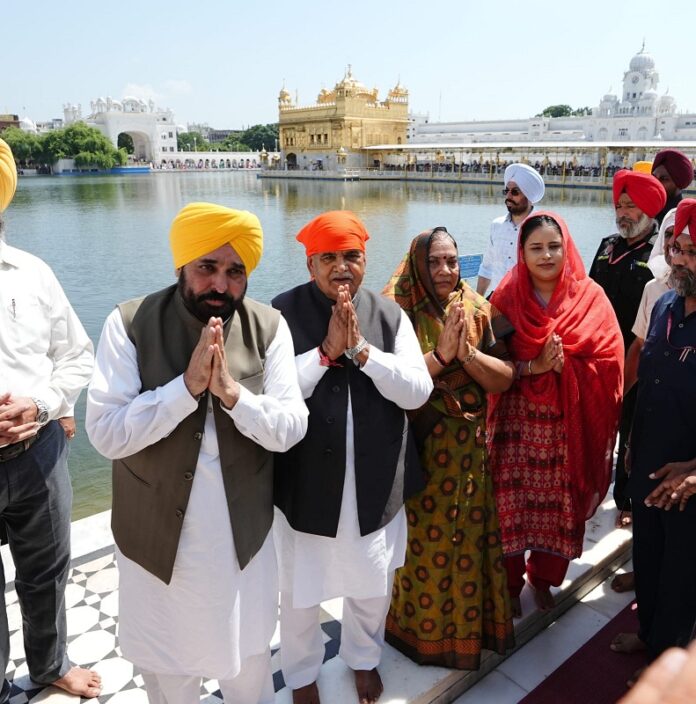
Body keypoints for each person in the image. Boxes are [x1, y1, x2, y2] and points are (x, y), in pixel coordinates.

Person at [86, 202, 308, 704]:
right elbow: (104, 432)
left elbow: (291, 429)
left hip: (240, 546)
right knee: (169, 681)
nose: (221, 285)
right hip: (156, 546)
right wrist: (183, 390)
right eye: (207, 267)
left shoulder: (269, 327)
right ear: (180, 266)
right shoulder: (129, 323)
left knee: (248, 673)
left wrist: (233, 395)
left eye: (235, 272)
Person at [271, 211, 432, 704]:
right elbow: (271, 395)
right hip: (305, 481)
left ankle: (363, 660)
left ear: (365, 260)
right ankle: (301, 674)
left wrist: (361, 350)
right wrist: (324, 353)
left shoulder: (389, 314)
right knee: (299, 594)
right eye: (329, 258)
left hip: (374, 479)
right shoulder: (280, 314)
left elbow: (417, 391)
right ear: (310, 264)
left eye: (351, 256)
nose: (341, 267)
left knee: (370, 586)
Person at [382, 227, 515, 669]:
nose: (445, 270)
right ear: (418, 263)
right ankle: (417, 636)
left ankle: (469, 634)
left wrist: (468, 356)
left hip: (470, 453)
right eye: (435, 261)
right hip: (419, 453)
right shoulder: (395, 312)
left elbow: (506, 377)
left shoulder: (477, 309)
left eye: (453, 261)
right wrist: (440, 357)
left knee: (469, 539)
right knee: (421, 547)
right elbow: (391, 386)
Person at [0, 137, 100, 700]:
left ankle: (50, 665)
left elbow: (75, 354)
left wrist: (40, 406)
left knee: (47, 572)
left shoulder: (32, 273)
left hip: (36, 451)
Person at [488, 212, 624, 616]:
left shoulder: (590, 297)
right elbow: (492, 360)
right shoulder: (506, 297)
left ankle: (543, 579)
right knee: (509, 506)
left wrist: (570, 367)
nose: (546, 255)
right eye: (536, 248)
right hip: (515, 423)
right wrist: (535, 366)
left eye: (554, 246)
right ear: (521, 252)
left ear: (567, 248)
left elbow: (611, 360)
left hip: (568, 425)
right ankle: (510, 584)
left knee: (559, 508)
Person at [610, 198, 696, 674]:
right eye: (676, 247)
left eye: (691, 251)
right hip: (647, 458)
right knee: (650, 553)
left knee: (683, 569)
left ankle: (670, 660)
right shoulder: (663, 302)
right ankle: (650, 635)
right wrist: (630, 448)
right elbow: (646, 378)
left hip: (687, 477)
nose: (678, 258)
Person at [590, 170, 666, 524]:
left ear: (649, 210)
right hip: (600, 355)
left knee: (633, 431)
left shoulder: (661, 255)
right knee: (594, 428)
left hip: (641, 355)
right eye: (619, 205)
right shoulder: (607, 247)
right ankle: (589, 489)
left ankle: (626, 500)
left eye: (630, 206)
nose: (622, 213)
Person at [611, 208, 677, 594]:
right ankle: (643, 571)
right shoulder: (656, 292)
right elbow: (638, 346)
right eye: (671, 241)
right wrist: (620, 398)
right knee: (646, 495)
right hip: (650, 409)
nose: (675, 251)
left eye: (687, 246)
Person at [476, 163, 545, 297]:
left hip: (528, 304)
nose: (508, 196)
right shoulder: (497, 225)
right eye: (506, 191)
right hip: (498, 300)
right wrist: (477, 303)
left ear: (529, 196)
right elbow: (486, 267)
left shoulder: (542, 228)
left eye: (515, 192)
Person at [651, 149, 694, 226]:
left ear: (678, 183)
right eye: (653, 177)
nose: (656, 183)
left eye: (664, 179)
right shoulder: (644, 210)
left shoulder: (685, 219)